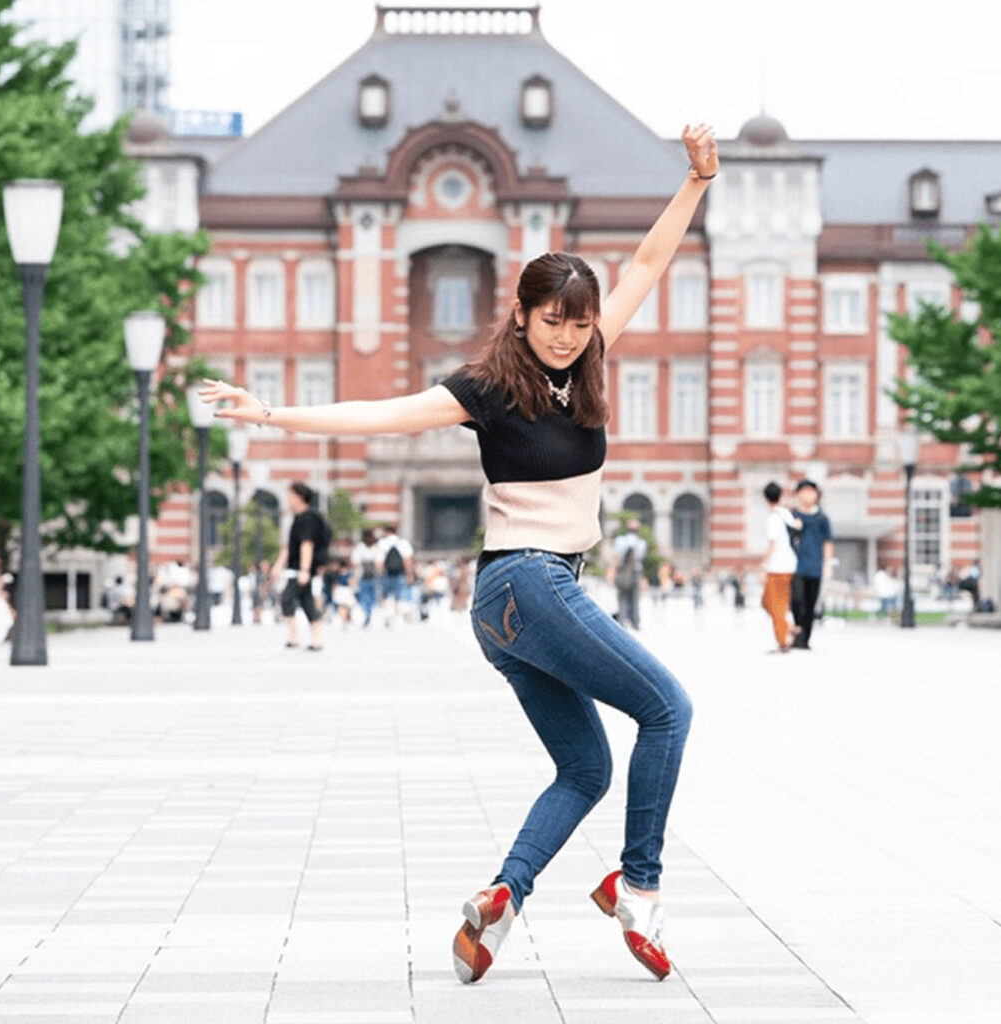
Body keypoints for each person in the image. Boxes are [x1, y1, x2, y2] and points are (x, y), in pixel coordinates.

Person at [197, 121, 714, 986]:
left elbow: (648, 266)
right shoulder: (487, 387)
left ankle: (499, 898)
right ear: (521, 312)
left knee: (586, 767)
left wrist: (697, 179)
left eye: (579, 325)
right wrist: (273, 415)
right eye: (553, 322)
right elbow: (386, 412)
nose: (568, 337)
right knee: (668, 709)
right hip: (530, 582)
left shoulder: (588, 358)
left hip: (507, 604)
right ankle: (640, 884)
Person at [278, 482, 330, 651]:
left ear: (299, 497)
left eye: (290, 495)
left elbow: (307, 544)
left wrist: (305, 570)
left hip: (302, 569)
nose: (288, 499)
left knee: (287, 598)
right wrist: (279, 564)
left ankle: (296, 637)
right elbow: (290, 546)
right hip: (297, 567)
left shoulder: (308, 518)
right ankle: (316, 639)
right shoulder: (299, 517)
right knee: (306, 601)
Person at [788, 480, 833, 650]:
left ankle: (805, 639)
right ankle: (798, 634)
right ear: (798, 494)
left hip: (815, 567)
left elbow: (827, 542)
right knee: (797, 601)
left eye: (811, 491)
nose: (808, 495)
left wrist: (827, 564)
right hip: (795, 566)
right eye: (804, 491)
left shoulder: (821, 518)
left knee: (810, 603)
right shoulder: (792, 516)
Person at [758, 482, 796, 653]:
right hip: (789, 564)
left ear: (765, 498)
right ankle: (789, 627)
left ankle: (783, 640)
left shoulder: (773, 517)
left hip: (777, 566)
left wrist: (763, 565)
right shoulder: (787, 515)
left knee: (776, 604)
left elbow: (772, 543)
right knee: (769, 602)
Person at [608, 519, 647, 630]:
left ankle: (623, 620)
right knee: (633, 598)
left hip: (623, 572)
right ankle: (634, 622)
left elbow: (616, 559)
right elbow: (640, 560)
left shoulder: (620, 541)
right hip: (634, 572)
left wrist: (612, 573)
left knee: (623, 598)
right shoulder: (641, 543)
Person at [352, 528, 381, 627]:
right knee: (373, 596)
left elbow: (355, 563)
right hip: (373, 575)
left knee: (364, 596)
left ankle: (367, 613)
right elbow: (379, 563)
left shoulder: (359, 548)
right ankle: (369, 614)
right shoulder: (376, 548)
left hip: (362, 575)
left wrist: (355, 576)